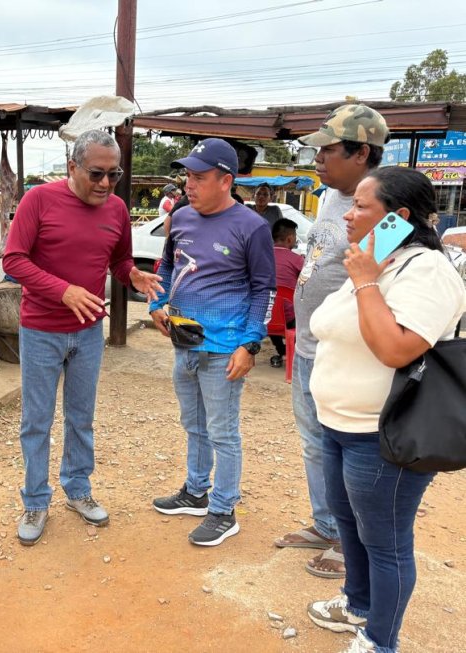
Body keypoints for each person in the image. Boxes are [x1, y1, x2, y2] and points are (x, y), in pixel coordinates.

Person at [306, 167, 466, 653]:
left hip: (383, 436)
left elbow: (396, 350)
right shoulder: (375, 260)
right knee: (348, 520)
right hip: (337, 424)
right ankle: (357, 603)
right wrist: (365, 275)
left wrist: (364, 282)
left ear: (397, 217)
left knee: (386, 542)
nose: (349, 215)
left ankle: (379, 640)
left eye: (361, 206)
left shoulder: (425, 270)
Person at [3, 129, 162, 545]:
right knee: (36, 422)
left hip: (89, 332)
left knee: (81, 418)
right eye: (96, 174)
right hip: (41, 330)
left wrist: (132, 274)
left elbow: (119, 259)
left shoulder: (118, 210)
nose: (106, 184)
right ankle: (36, 499)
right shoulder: (39, 200)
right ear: (72, 166)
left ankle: (77, 489)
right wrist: (62, 290)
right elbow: (14, 259)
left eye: (114, 175)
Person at [275, 104, 389, 579]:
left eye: (328, 150)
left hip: (345, 354)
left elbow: (381, 278)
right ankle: (327, 524)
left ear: (362, 152)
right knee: (315, 445)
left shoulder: (384, 208)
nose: (318, 159)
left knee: (350, 449)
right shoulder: (329, 199)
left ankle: (352, 540)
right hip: (308, 346)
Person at [149, 138, 276, 547]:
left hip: (225, 349)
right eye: (187, 175)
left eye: (199, 177)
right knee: (194, 424)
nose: (189, 184)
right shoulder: (181, 218)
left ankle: (223, 510)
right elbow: (167, 265)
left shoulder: (252, 227)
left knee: (223, 432)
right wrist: (157, 301)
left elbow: (263, 289)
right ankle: (196, 491)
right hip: (184, 342)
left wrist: (251, 344)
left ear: (226, 180)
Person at [269, 218, 304, 368]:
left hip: (263, 315)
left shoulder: (261, 256)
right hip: (289, 317)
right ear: (290, 238)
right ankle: (292, 352)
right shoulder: (296, 259)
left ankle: (281, 350)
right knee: (296, 310)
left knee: (272, 308)